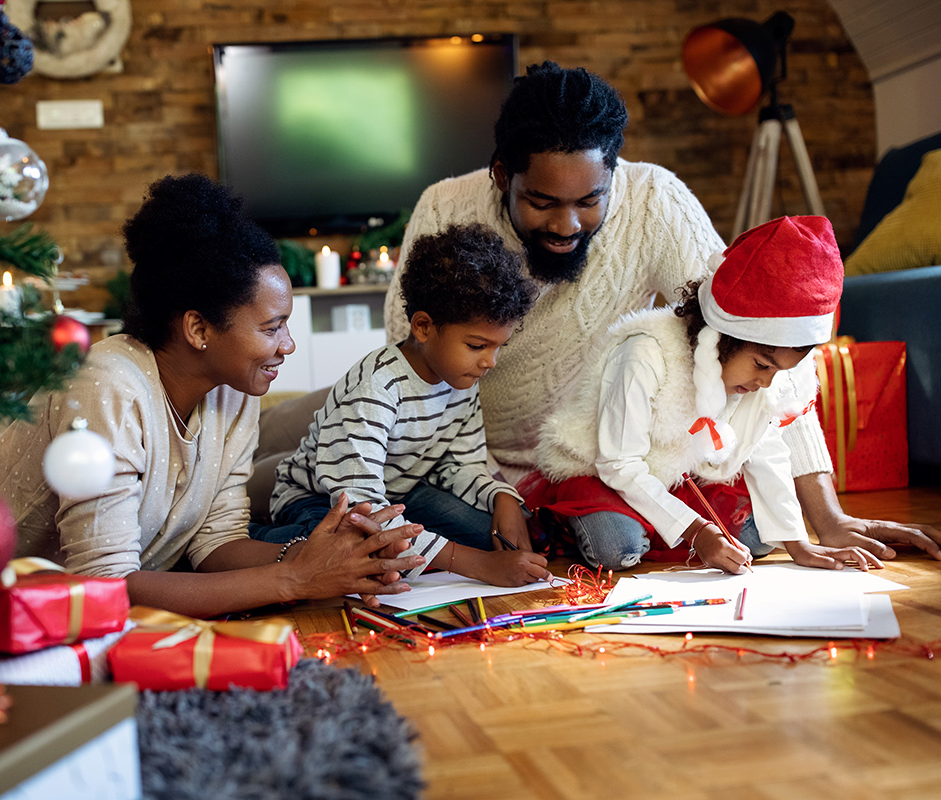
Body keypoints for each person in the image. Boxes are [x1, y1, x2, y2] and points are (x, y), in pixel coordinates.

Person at [383, 60, 941, 559]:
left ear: (614, 174)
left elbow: (765, 340)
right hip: (476, 470)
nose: (565, 226)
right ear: (503, 175)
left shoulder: (655, 200)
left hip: (623, 463)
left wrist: (828, 518)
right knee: (378, 486)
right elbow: (407, 371)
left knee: (758, 525)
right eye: (541, 202)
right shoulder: (445, 208)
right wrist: (489, 487)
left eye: (589, 200)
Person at [0, 174, 425, 618]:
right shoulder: (108, 385)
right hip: (4, 614)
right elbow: (104, 586)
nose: (288, 345)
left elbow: (216, 541)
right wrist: (295, 579)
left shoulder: (234, 389)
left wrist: (323, 561)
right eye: (272, 328)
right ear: (198, 329)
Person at [524, 215, 882, 573]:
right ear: (723, 337)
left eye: (778, 372)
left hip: (680, 477)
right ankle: (574, 527)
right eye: (761, 365)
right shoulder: (645, 353)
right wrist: (698, 531)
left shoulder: (756, 377)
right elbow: (618, 465)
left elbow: (766, 451)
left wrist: (798, 543)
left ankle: (667, 530)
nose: (765, 383)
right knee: (617, 547)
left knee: (762, 539)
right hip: (606, 474)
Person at [252, 224, 551, 587]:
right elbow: (359, 504)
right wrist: (478, 566)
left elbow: (458, 465)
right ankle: (258, 540)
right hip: (325, 503)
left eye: (497, 346)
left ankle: (419, 551)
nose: (490, 361)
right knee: (359, 558)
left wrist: (501, 497)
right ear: (424, 327)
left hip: (402, 493)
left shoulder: (463, 378)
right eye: (477, 346)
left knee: (490, 534)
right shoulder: (376, 387)